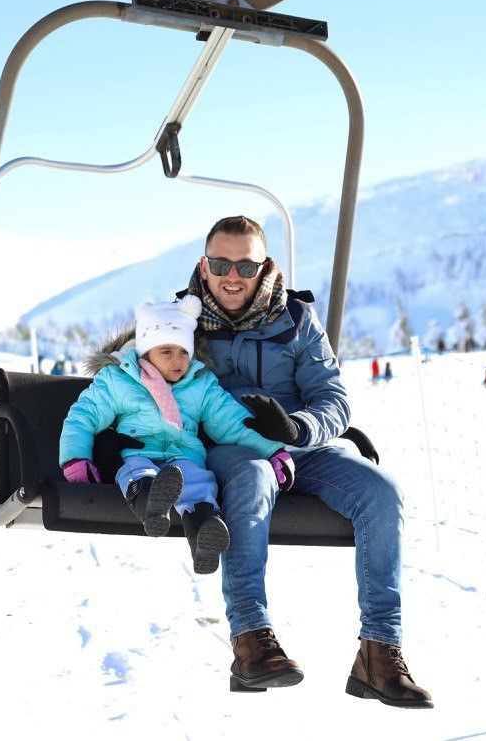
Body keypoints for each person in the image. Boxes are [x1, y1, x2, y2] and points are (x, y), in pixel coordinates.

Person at [181, 216, 431, 706]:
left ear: (265, 266)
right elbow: (144, 389)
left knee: (382, 492)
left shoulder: (295, 320)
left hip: (302, 449)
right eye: (220, 263)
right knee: (250, 478)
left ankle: (379, 654)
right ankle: (251, 640)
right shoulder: (180, 324)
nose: (233, 276)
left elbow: (333, 398)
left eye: (246, 265)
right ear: (203, 265)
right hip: (232, 448)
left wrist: (298, 429)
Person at [60, 297, 294, 575]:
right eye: (167, 351)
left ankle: (204, 528)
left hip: (184, 456)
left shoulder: (200, 383)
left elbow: (231, 422)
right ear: (146, 352)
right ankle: (149, 500)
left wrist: (272, 451)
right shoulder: (119, 379)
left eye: (184, 352)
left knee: (197, 481)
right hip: (137, 451)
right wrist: (76, 458)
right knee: (136, 471)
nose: (178, 360)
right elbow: (84, 416)